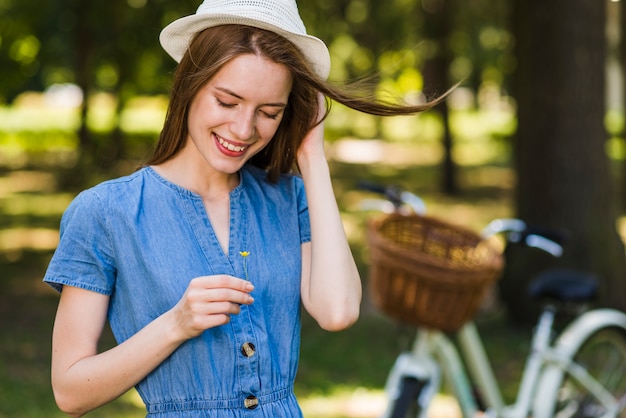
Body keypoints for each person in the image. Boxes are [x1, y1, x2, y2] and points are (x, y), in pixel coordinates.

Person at [43, 0, 449, 416]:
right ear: (189, 86)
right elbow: (70, 391)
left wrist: (313, 159)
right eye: (227, 101)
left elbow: (338, 311)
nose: (243, 130)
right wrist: (176, 324)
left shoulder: (289, 198)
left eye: (269, 112)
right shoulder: (105, 212)